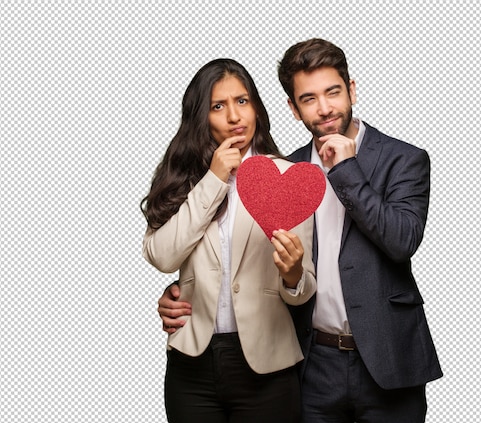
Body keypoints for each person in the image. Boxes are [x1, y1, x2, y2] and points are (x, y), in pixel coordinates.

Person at [158, 39, 443, 422]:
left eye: (333, 92)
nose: (324, 108)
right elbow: (241, 256)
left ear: (352, 90)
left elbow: (401, 241)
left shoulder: (404, 159)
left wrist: (345, 170)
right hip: (312, 364)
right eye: (308, 99)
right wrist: (186, 288)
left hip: (388, 357)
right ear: (293, 109)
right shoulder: (281, 172)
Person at [142, 58, 316, 423]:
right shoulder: (181, 177)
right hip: (192, 365)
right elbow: (162, 257)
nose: (235, 116)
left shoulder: (288, 179)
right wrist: (215, 178)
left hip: (268, 363)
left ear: (256, 106)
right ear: (201, 116)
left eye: (242, 101)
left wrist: (293, 273)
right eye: (218, 106)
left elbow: (302, 291)